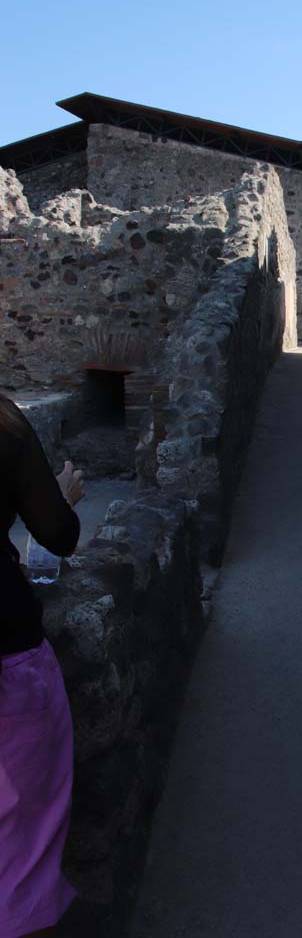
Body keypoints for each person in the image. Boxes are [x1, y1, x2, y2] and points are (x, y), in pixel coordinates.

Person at [0, 393, 85, 938]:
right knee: (20, 863)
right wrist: (67, 496)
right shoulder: (3, 423)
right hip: (8, 656)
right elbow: (57, 532)